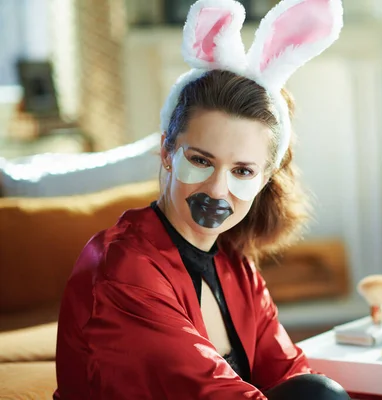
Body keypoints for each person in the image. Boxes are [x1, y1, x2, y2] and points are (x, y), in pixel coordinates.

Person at [54, 0, 349, 399]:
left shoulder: (235, 266)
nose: (216, 189)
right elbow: (211, 392)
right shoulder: (123, 269)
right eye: (200, 160)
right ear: (166, 152)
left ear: (264, 180)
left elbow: (287, 372)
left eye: (242, 171)